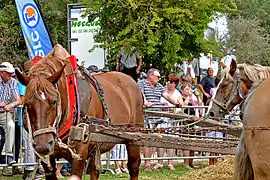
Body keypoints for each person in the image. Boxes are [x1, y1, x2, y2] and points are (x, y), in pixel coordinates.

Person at [137, 68, 183, 171]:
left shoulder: (159, 86)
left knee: (155, 139)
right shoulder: (142, 83)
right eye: (157, 77)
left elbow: (166, 95)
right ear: (151, 76)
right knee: (147, 140)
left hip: (157, 116)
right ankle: (147, 164)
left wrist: (175, 103)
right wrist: (145, 102)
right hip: (146, 116)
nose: (159, 78)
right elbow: (141, 94)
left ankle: (159, 162)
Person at [154, 74, 182, 171]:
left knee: (170, 140)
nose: (167, 83)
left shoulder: (178, 94)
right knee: (160, 140)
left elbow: (180, 109)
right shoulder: (163, 92)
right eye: (167, 81)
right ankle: (159, 162)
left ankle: (170, 163)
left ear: (174, 84)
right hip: (161, 120)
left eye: (169, 81)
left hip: (171, 121)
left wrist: (171, 110)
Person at [0, 62, 22, 176]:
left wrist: (11, 105)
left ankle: (7, 155)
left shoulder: (13, 82)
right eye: (9, 73)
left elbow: (19, 100)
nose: (11, 75)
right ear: (2, 73)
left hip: (5, 112)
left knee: (11, 126)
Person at [181, 82, 203, 168]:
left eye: (189, 89)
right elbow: (183, 108)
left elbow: (200, 104)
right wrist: (189, 97)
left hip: (193, 121)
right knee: (187, 142)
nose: (188, 91)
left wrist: (197, 96)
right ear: (182, 90)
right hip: (185, 122)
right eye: (186, 89)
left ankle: (191, 162)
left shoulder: (192, 98)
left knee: (193, 142)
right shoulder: (182, 98)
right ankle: (186, 163)